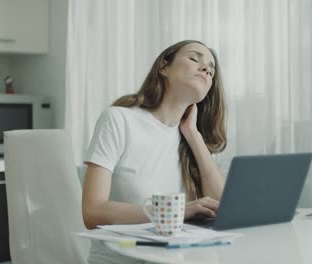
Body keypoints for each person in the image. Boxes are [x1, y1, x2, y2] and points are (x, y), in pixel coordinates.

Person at [82, 40, 227, 263]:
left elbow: (222, 210)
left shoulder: (194, 139)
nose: (206, 69)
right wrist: (180, 211)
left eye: (211, 68)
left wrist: (193, 136)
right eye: (194, 59)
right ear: (164, 67)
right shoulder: (119, 120)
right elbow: (93, 212)